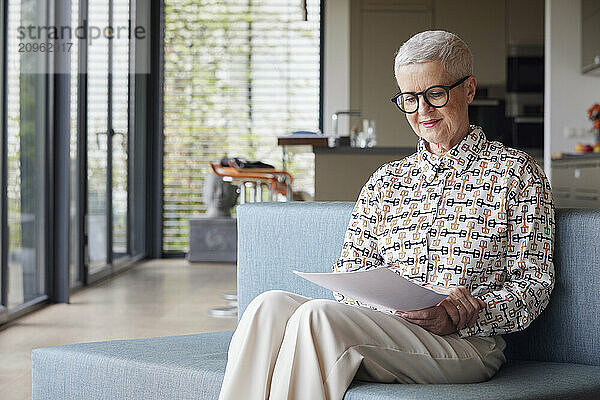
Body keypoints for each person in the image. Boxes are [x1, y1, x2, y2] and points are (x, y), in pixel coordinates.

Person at [218, 30, 555, 400]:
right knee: (268, 306)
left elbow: (533, 286)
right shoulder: (386, 180)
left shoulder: (516, 172)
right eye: (410, 99)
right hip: (384, 328)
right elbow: (351, 273)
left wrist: (466, 314)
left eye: (435, 94)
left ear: (469, 89)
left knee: (318, 317)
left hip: (466, 344)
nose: (423, 111)